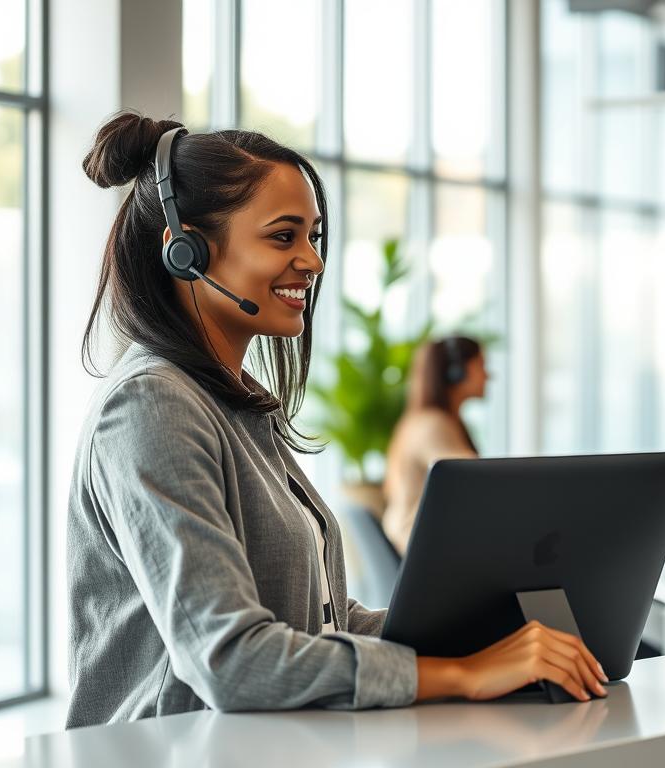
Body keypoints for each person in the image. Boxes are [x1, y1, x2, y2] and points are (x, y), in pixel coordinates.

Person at [66, 114, 606, 729]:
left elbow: (326, 623)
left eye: (312, 237)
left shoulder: (233, 405)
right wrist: (464, 675)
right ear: (185, 251)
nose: (312, 262)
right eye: (282, 236)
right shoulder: (151, 405)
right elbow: (229, 659)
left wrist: (494, 634)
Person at [382, 336, 487, 555]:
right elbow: (476, 481)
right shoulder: (431, 426)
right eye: (481, 365)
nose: (488, 375)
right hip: (420, 548)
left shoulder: (435, 420)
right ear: (457, 372)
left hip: (426, 542)